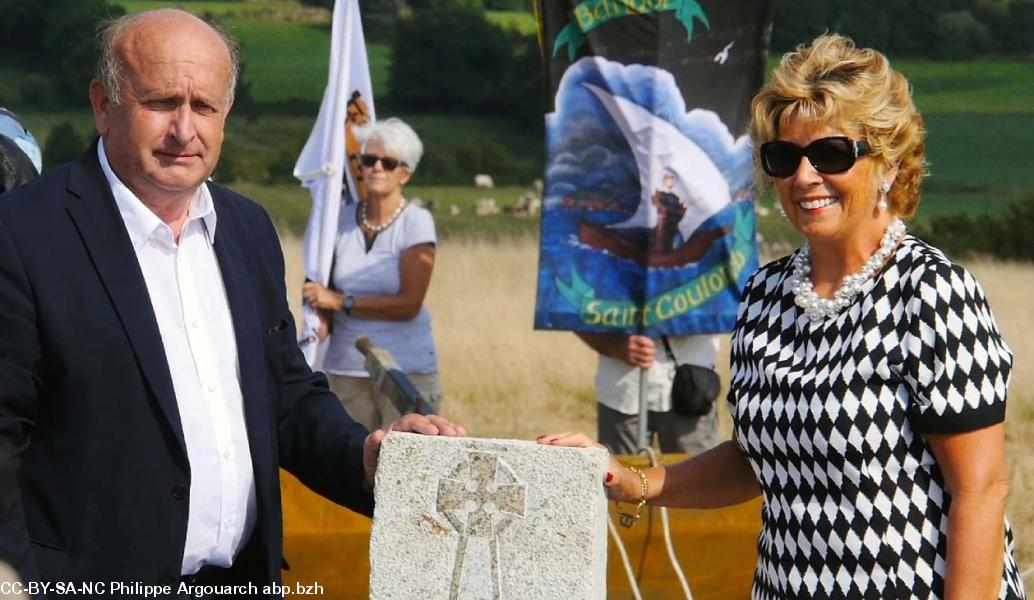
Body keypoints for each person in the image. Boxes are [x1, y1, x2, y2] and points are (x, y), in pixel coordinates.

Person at [544, 34, 1025, 599]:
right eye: (784, 157)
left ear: (889, 164)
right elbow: (758, 461)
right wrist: (633, 481)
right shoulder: (765, 294)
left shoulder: (932, 293)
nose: (804, 177)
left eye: (832, 154)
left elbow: (981, 490)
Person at [0, 9, 464, 593]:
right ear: (103, 104)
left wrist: (366, 456)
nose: (184, 130)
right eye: (162, 102)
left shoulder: (247, 229)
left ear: (227, 115)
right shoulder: (21, 234)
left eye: (204, 107)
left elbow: (286, 396)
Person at [302, 118, 442, 432]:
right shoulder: (337, 220)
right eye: (369, 160)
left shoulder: (417, 222)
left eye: (388, 162)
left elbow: (409, 304)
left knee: (404, 473)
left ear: (405, 173)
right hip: (345, 369)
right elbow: (322, 286)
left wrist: (342, 302)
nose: (377, 167)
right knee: (349, 471)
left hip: (406, 373)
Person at [575, 333, 720, 455]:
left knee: (696, 483)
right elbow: (572, 309)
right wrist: (615, 347)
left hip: (691, 391)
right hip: (622, 391)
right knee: (620, 482)